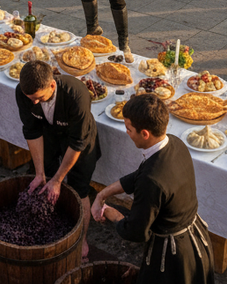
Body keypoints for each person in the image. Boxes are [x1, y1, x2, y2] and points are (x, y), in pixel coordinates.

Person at [91, 94, 215, 284]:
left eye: (129, 129)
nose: (127, 133)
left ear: (145, 134)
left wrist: (108, 212)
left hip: (174, 257)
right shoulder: (174, 143)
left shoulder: (152, 180)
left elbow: (136, 232)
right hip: (195, 240)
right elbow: (139, 175)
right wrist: (102, 194)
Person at [16, 61, 100, 259]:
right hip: (49, 133)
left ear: (52, 85)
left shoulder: (77, 95)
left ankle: (81, 238)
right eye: (31, 99)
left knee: (80, 188)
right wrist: (40, 173)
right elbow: (32, 131)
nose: (34, 103)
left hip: (78, 139)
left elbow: (77, 143)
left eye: (39, 98)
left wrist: (58, 180)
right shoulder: (23, 92)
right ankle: (51, 226)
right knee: (45, 175)